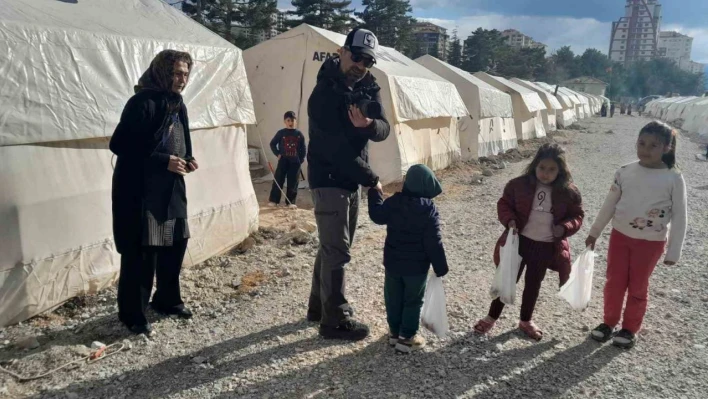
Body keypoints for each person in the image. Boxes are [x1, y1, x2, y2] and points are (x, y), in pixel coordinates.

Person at [306, 27, 391, 341]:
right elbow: (335, 151)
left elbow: (384, 129)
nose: (360, 65)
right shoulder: (324, 94)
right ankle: (335, 320)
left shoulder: (368, 87)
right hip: (329, 178)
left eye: (367, 61)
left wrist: (368, 124)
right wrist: (372, 179)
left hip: (351, 179)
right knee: (337, 251)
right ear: (342, 51)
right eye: (356, 56)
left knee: (332, 248)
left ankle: (318, 308)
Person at [110, 50, 198, 335]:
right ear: (162, 72)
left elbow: (181, 137)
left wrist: (188, 157)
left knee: (174, 245)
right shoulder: (142, 102)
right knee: (142, 252)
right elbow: (119, 144)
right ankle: (133, 314)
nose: (181, 79)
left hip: (171, 187)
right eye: (176, 73)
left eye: (185, 73)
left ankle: (167, 301)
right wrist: (164, 160)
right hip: (141, 189)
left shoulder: (177, 103)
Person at [586, 121, 687, 349]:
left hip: (650, 243)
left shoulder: (673, 177)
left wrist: (674, 251)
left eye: (653, 145)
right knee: (614, 282)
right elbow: (609, 204)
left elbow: (680, 216)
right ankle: (608, 322)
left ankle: (630, 328)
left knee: (638, 286)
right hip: (620, 237)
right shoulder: (624, 172)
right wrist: (595, 232)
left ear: (667, 148)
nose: (645, 149)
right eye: (642, 143)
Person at [473, 143, 584, 340]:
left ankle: (526, 320)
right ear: (535, 165)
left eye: (552, 169)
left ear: (561, 170)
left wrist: (565, 228)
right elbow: (504, 204)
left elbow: (577, 216)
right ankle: (491, 317)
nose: (545, 173)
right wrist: (510, 220)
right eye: (542, 168)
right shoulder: (519, 185)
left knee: (533, 284)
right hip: (518, 242)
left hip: (545, 246)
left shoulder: (568, 192)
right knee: (506, 280)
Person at [367, 164, 449, 353]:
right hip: (416, 268)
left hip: (393, 264)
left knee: (393, 298)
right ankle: (407, 337)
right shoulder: (428, 210)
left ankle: (394, 333)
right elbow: (433, 242)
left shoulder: (394, 202)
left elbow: (377, 215)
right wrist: (440, 266)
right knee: (412, 300)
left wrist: (375, 193)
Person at [268, 111, 306, 208]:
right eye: (288, 120)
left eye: (292, 120)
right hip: (283, 161)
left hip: (295, 163)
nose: (291, 122)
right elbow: (272, 144)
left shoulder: (299, 134)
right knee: (278, 179)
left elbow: (303, 148)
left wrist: (300, 160)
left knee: (293, 182)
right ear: (285, 121)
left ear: (295, 121)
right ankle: (274, 200)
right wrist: (277, 154)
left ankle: (290, 202)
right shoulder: (281, 133)